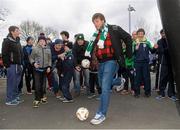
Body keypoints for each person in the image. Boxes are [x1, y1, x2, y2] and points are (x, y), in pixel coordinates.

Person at [85, 13, 132, 125]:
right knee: (102, 85)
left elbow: (128, 37)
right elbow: (93, 49)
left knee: (105, 88)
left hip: (112, 61)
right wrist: (88, 59)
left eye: (96, 21)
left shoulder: (114, 28)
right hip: (100, 63)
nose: (95, 24)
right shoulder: (96, 34)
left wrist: (128, 54)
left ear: (102, 20)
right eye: (93, 22)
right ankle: (120, 81)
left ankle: (101, 113)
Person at [2, 26, 24, 105]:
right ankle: (9, 100)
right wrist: (7, 65)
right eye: (17, 30)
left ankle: (15, 97)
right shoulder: (7, 41)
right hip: (11, 65)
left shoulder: (17, 41)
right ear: (12, 32)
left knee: (16, 82)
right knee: (11, 82)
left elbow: (20, 53)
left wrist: (21, 63)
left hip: (18, 65)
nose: (19, 32)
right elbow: (4, 54)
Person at [133, 28, 158, 98]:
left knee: (146, 78)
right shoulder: (135, 42)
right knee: (137, 78)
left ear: (144, 34)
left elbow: (152, 51)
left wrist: (155, 48)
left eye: (142, 33)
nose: (140, 35)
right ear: (137, 35)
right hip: (137, 63)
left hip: (145, 63)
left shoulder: (147, 42)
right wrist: (136, 48)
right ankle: (136, 92)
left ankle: (147, 92)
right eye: (139, 33)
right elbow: (132, 53)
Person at [29, 34, 52, 108]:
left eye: (43, 41)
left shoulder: (48, 50)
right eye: (40, 41)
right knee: (37, 84)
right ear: (38, 42)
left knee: (43, 84)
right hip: (37, 70)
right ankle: (37, 99)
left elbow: (50, 59)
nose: (42, 42)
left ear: (45, 42)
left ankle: (43, 97)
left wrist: (49, 66)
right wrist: (34, 63)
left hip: (45, 69)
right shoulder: (34, 49)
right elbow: (31, 58)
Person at [156, 29, 178, 101]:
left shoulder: (171, 40)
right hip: (164, 63)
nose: (164, 34)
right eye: (162, 33)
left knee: (171, 79)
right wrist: (169, 47)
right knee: (163, 79)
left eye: (165, 33)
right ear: (161, 34)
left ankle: (171, 94)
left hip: (172, 63)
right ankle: (161, 94)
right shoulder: (159, 41)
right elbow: (162, 51)